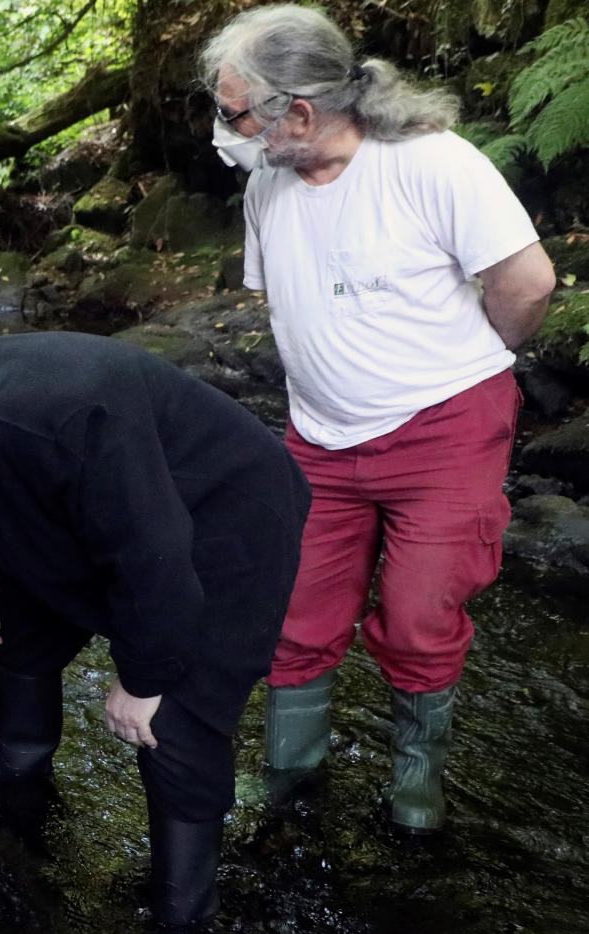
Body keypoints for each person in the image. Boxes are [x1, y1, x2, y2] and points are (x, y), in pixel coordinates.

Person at [202, 5, 557, 832]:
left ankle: (415, 781)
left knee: (423, 609)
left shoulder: (432, 164)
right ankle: (292, 779)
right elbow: (294, 299)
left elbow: (530, 281)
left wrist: (475, 362)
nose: (225, 131)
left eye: (235, 112)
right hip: (319, 439)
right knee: (294, 611)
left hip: (446, 431)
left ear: (299, 111)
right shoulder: (267, 184)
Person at [0, 333, 310, 927]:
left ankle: (184, 919)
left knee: (171, 722)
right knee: (19, 643)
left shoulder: (66, 417)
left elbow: (152, 556)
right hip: (87, 509)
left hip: (222, 517)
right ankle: (22, 801)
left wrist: (142, 679)